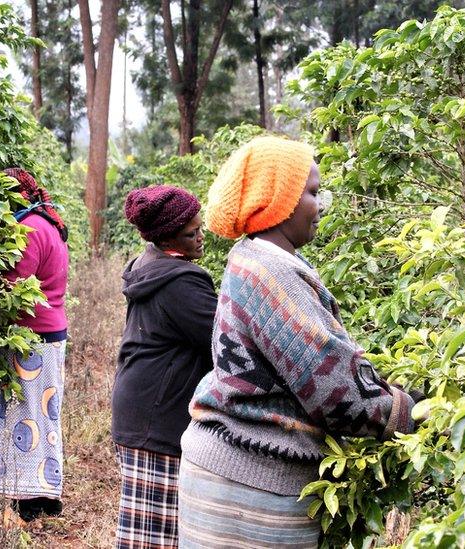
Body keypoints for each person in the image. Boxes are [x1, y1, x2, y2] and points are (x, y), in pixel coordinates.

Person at [178, 136, 419, 548]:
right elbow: (335, 392)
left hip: (219, 466)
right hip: (257, 481)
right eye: (311, 192)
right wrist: (409, 409)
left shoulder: (250, 257)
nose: (319, 205)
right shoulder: (276, 276)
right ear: (279, 201)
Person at [111, 185, 218, 549]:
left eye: (200, 228)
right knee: (155, 539)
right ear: (167, 237)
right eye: (192, 233)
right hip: (156, 421)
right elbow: (225, 340)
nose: (201, 237)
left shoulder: (149, 264)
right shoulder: (183, 282)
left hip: (140, 411)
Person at [0, 167, 70, 521]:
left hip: (31, 338)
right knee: (39, 412)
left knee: (25, 415)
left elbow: (14, 288)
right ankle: (38, 493)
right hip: (45, 335)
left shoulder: (30, 229)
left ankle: (28, 501)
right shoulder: (46, 224)